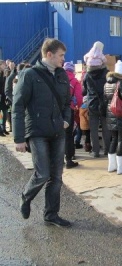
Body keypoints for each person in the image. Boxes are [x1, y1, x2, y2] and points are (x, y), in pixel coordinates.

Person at [12, 38, 72, 228]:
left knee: (56, 177)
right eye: (61, 55)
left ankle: (51, 214)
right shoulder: (29, 74)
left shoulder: (62, 75)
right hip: (37, 132)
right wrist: (19, 138)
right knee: (43, 173)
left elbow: (67, 103)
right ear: (49, 55)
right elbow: (18, 106)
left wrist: (66, 120)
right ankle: (26, 196)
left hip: (57, 132)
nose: (64, 59)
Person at [82, 41, 111, 158]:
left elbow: (84, 90)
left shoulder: (87, 75)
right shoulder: (106, 74)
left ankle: (95, 151)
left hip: (92, 103)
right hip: (104, 103)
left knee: (93, 128)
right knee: (105, 128)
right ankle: (107, 150)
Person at [63, 62, 83, 168]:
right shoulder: (75, 81)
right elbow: (79, 98)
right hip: (68, 109)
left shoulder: (57, 78)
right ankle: (69, 159)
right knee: (68, 135)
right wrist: (77, 106)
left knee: (57, 134)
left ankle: (58, 159)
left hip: (56, 109)